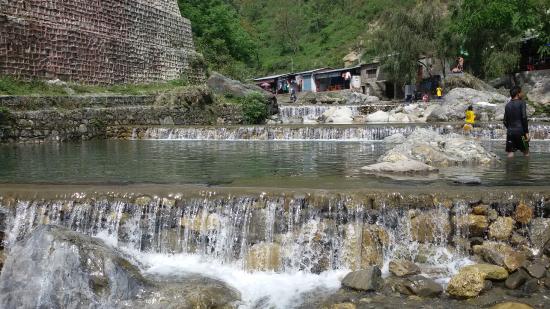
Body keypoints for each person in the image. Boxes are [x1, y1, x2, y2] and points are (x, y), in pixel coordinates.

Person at [503, 85, 530, 158]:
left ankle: (509, 168)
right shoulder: (522, 103)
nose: (522, 94)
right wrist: (526, 132)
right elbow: (524, 117)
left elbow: (504, 121)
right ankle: (525, 168)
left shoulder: (507, 105)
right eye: (521, 92)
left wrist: (510, 129)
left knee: (510, 153)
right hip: (521, 131)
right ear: (518, 94)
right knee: (526, 152)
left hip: (510, 132)